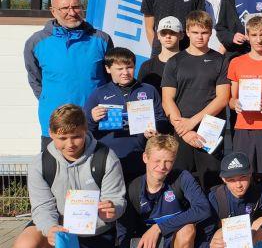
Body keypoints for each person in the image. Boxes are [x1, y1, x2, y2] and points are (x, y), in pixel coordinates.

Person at [13, 105, 126, 248]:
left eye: (76, 136)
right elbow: (42, 206)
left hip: (96, 228)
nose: (70, 144)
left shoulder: (106, 157)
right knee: (24, 247)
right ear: (51, 134)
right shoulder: (40, 163)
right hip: (60, 226)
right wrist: (49, 229)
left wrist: (112, 209)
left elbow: (117, 199)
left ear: (85, 130)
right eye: (62, 138)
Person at [107, 134, 211, 248]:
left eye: (168, 161)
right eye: (157, 160)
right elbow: (123, 226)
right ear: (145, 158)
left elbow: (203, 208)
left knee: (187, 229)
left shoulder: (181, 177)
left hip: (175, 243)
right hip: (148, 246)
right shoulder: (133, 187)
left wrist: (159, 228)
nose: (162, 167)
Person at [24, 0, 113, 151]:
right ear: (53, 11)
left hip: (95, 121)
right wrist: (50, 99)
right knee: (55, 167)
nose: (72, 13)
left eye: (76, 7)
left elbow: (110, 79)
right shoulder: (36, 42)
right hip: (56, 124)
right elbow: (35, 79)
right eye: (65, 8)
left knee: (98, 166)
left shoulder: (101, 39)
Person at [161, 10, 231, 190]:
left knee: (212, 183)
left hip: (210, 131)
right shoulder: (175, 61)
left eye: (204, 32)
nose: (200, 37)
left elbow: (223, 98)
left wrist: (192, 122)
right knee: (179, 183)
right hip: (181, 130)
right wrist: (184, 130)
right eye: (195, 32)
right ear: (187, 32)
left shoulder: (220, 60)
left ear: (211, 33)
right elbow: (167, 100)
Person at [84, 47, 170, 182]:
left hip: (141, 157)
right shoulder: (99, 93)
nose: (125, 72)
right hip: (108, 158)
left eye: (129, 67)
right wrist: (92, 119)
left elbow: (161, 119)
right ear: (108, 69)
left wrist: (156, 129)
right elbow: (84, 130)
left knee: (136, 193)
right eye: (120, 69)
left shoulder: (148, 90)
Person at [227, 16, 262, 196]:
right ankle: (247, 214)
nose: (259, 40)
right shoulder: (236, 62)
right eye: (254, 35)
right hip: (244, 128)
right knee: (243, 180)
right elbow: (231, 99)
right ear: (247, 36)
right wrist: (236, 104)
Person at [137, 16, 183, 90]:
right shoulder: (147, 66)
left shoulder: (189, 64)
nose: (168, 36)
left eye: (172, 32)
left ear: (181, 35)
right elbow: (139, 93)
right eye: (163, 33)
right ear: (158, 35)